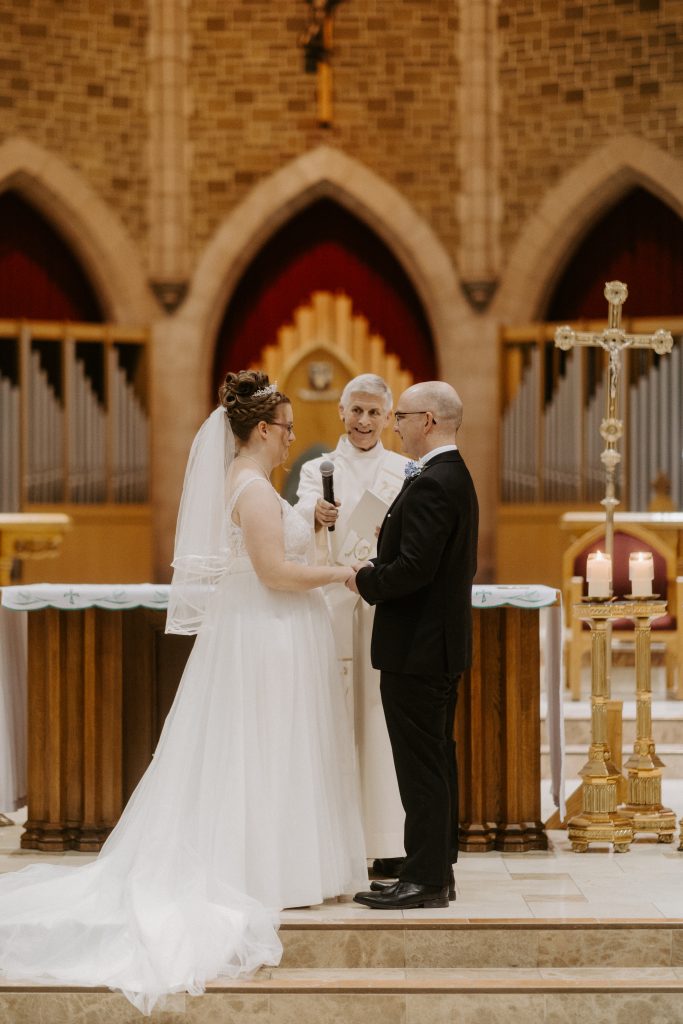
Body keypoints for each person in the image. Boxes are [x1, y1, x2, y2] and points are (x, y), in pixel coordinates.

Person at [0, 371, 367, 1014]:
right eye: (286, 429)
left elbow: (273, 547)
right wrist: (346, 573)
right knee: (261, 745)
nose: (291, 440)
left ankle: (280, 863)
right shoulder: (252, 490)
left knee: (268, 747)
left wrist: (307, 516)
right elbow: (276, 573)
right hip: (265, 634)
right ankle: (265, 868)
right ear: (261, 430)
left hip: (269, 632)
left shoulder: (256, 488)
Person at [348, 381, 478, 910]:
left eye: (399, 415)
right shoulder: (452, 475)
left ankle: (423, 879)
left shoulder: (433, 481)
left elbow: (415, 570)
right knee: (435, 759)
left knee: (421, 765)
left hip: (417, 648)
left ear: (427, 420)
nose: (392, 425)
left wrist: (365, 578)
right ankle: (435, 870)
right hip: (436, 645)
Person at [295, 374, 407, 873]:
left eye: (374, 413)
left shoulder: (403, 469)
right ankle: (338, 842)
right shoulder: (318, 469)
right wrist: (314, 516)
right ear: (341, 412)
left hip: (386, 607)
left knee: (382, 724)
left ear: (388, 418)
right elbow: (295, 525)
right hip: (336, 605)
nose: (364, 422)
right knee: (338, 719)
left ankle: (386, 842)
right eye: (356, 411)